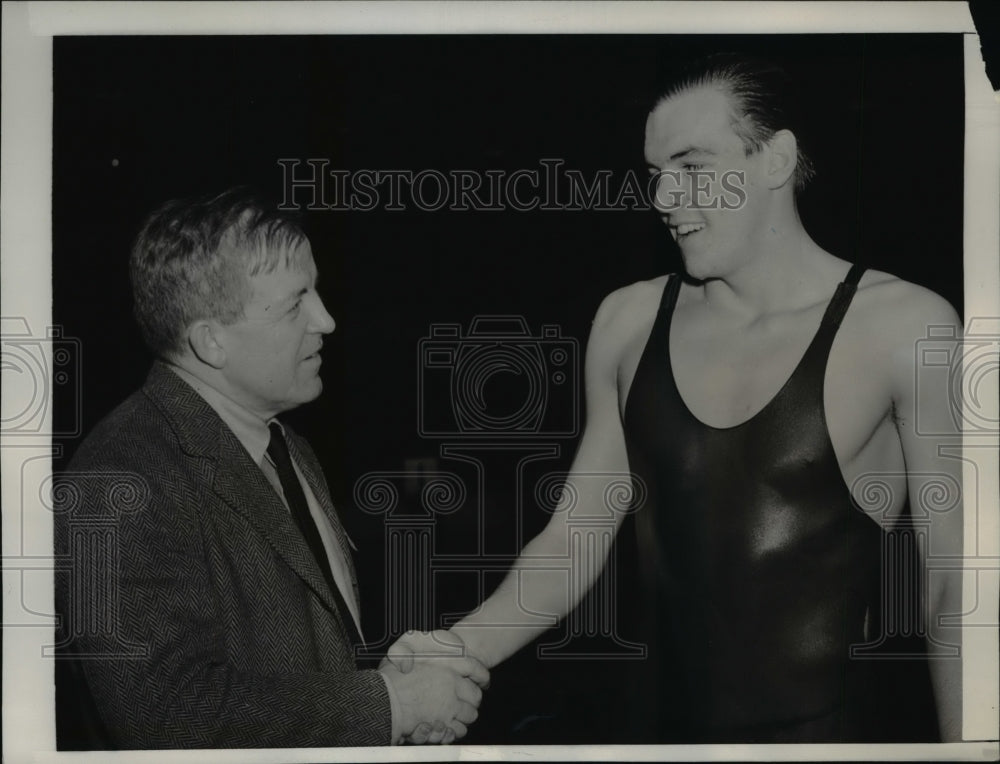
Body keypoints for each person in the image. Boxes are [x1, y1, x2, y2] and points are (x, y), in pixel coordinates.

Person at [386, 54, 964, 743]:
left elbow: (953, 587)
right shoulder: (627, 322)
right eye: (657, 175)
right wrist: (461, 648)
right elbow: (576, 537)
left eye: (692, 168)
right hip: (654, 739)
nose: (664, 198)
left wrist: (971, 748)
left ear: (775, 159)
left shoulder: (905, 327)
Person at [53, 188, 487, 748]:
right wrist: (390, 703)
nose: (326, 320)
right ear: (211, 342)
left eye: (317, 290)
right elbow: (162, 712)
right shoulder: (119, 478)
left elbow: (293, 662)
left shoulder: (282, 442)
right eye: (294, 304)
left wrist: (382, 673)